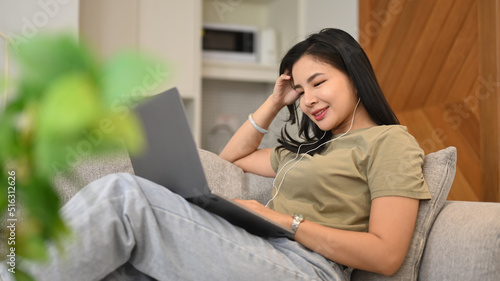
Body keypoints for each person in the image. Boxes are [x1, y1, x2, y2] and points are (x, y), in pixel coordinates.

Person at [1, 28, 430, 281]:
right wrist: (275, 102)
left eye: (318, 83)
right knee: (118, 265)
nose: (309, 100)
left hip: (306, 269)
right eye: (300, 90)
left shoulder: (390, 143)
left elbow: (386, 254)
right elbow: (232, 159)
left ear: (354, 75)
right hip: (261, 249)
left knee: (123, 197)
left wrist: (286, 222)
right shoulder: (310, 149)